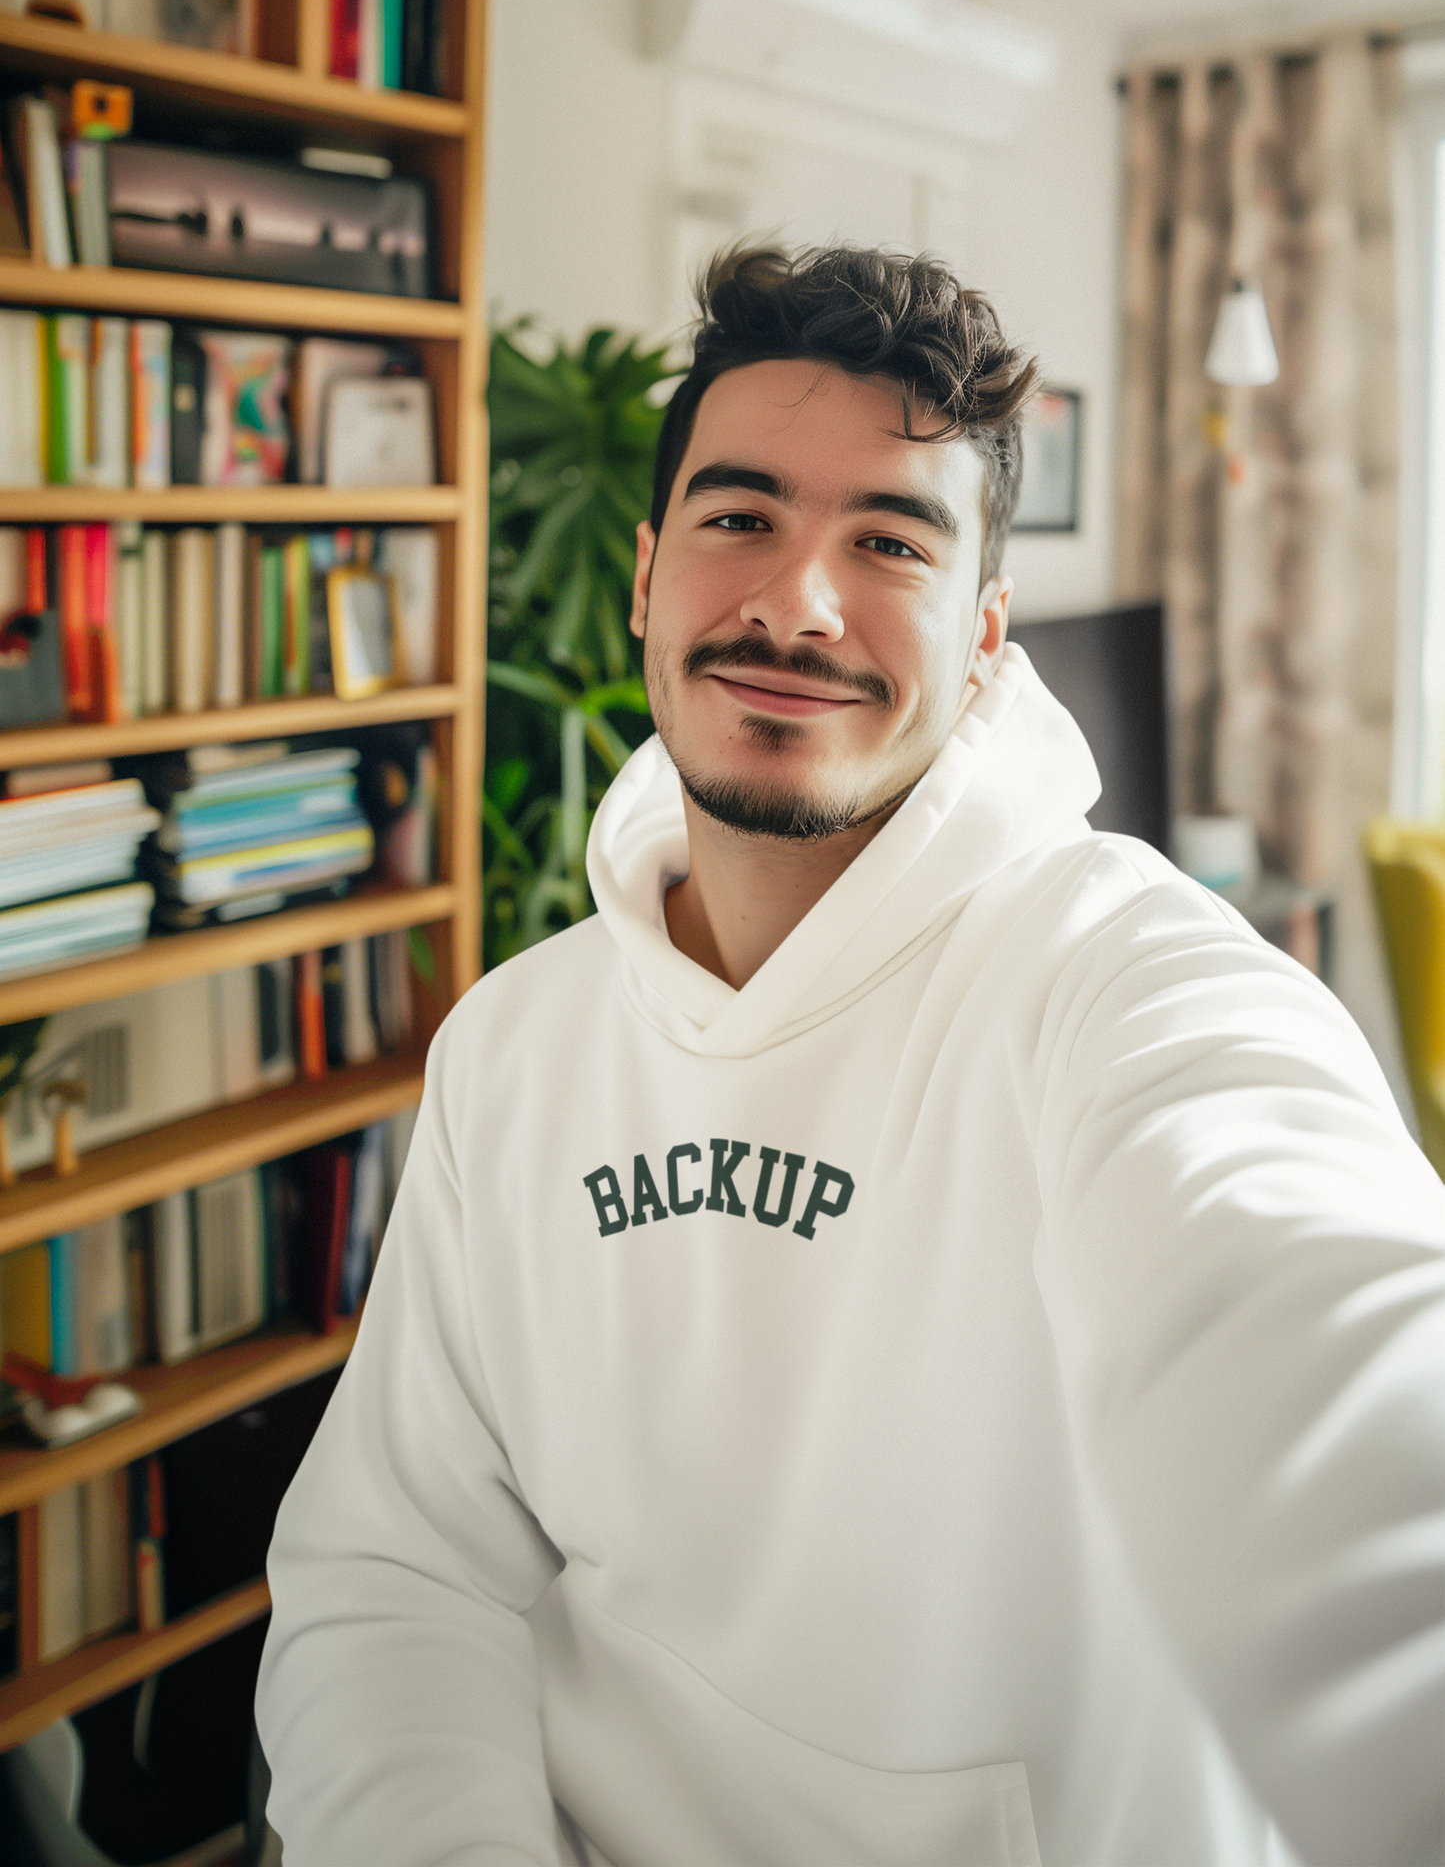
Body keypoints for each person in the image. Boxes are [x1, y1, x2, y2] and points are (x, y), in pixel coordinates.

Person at [256, 246, 1445, 1867]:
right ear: (645, 574)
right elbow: (399, 1571)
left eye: (889, 540)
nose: (795, 602)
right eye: (739, 516)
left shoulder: (1121, 981)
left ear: (982, 640)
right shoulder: (513, 1049)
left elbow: (1346, 1371)